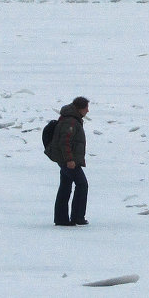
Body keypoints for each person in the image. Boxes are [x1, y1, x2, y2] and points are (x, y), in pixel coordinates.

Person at [47, 96, 90, 226]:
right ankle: (77, 217)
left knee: (65, 186)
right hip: (68, 161)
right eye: (86, 108)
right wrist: (70, 160)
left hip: (65, 160)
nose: (88, 111)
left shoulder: (71, 119)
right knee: (82, 185)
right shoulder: (70, 122)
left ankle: (62, 219)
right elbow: (64, 142)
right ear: (79, 108)